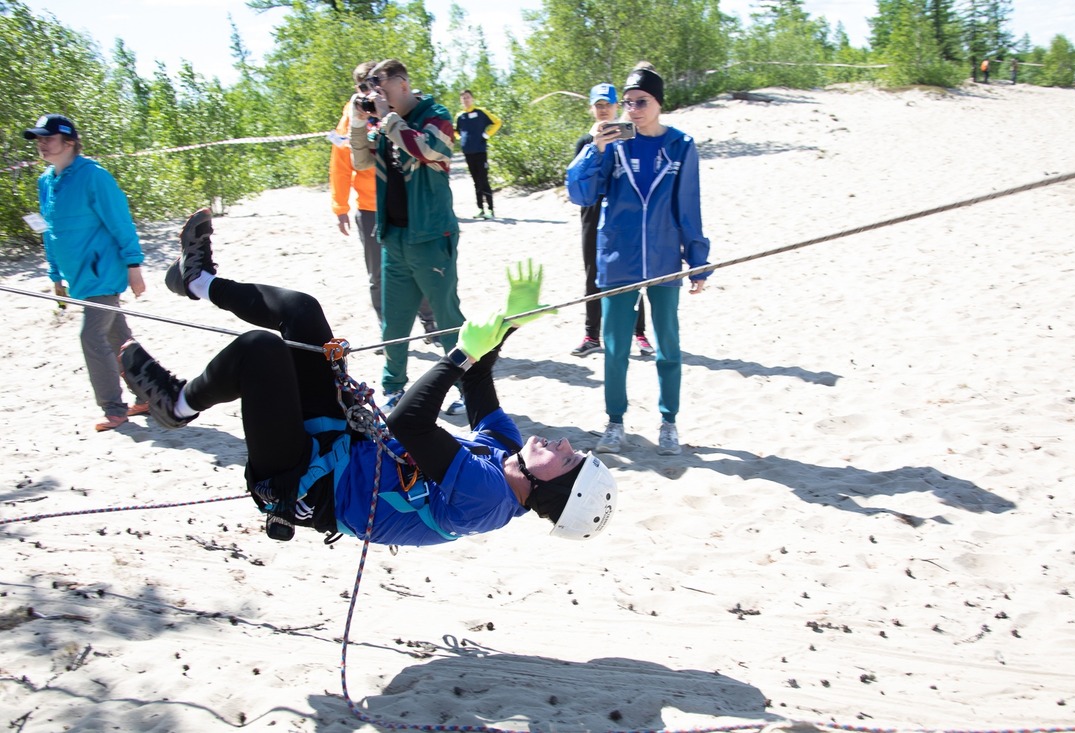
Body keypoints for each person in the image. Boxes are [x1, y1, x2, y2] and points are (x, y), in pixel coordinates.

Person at [124, 208, 616, 544]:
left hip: (301, 481)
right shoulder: (504, 454)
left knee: (261, 352)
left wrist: (463, 353)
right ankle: (198, 280)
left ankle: (177, 404)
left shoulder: (487, 499)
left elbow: (410, 425)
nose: (563, 442)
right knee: (301, 313)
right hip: (339, 441)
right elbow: (476, 379)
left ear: (554, 490)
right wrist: (510, 323)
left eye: (568, 458)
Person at [566, 67, 711, 457]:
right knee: (614, 346)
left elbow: (689, 205)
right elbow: (581, 194)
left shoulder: (681, 145)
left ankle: (669, 422)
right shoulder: (611, 145)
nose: (633, 109)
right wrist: (592, 149)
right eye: (627, 102)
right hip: (618, 259)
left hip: (664, 257)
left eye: (641, 102)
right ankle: (614, 423)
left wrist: (698, 260)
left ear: (659, 102)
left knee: (668, 344)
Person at [349, 59, 466, 415]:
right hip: (394, 237)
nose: (376, 96)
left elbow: (429, 150)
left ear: (401, 84)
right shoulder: (384, 123)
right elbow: (360, 162)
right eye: (371, 90)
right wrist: (357, 121)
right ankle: (393, 387)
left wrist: (388, 119)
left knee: (447, 318)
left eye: (381, 88)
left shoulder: (436, 114)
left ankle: (467, 388)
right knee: (395, 321)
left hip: (431, 235)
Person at [24, 113, 149, 432]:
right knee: (117, 337)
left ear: (69, 141)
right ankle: (148, 394)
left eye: (48, 138)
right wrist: (55, 274)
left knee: (91, 335)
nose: (41, 144)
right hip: (78, 275)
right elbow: (49, 231)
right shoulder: (46, 181)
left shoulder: (94, 176)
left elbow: (120, 220)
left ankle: (114, 408)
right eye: (38, 139)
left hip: (103, 273)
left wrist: (134, 266)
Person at [330, 61, 437, 347]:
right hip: (369, 207)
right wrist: (339, 206)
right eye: (363, 86)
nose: (370, 91)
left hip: (404, 202)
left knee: (420, 267)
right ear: (357, 89)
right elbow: (341, 164)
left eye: (374, 84)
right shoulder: (351, 116)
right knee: (378, 275)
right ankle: (388, 331)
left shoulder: (398, 109)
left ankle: (431, 322)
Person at [569, 82, 653, 360]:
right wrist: (595, 145)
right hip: (592, 217)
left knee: (631, 274)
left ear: (618, 106)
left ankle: (638, 333)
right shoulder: (585, 141)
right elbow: (577, 180)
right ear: (591, 108)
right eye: (598, 105)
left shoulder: (631, 137)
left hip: (623, 216)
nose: (603, 109)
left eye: (608, 104)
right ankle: (592, 335)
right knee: (593, 274)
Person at [454, 89, 502, 219]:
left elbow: (497, 122)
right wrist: (460, 138)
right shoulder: (460, 116)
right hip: (468, 153)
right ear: (461, 100)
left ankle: (490, 210)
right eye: (463, 98)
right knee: (475, 181)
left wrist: (487, 134)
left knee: (484, 179)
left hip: (480, 151)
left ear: (472, 98)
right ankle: (480, 208)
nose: (466, 100)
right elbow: (455, 131)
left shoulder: (481, 112)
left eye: (468, 97)